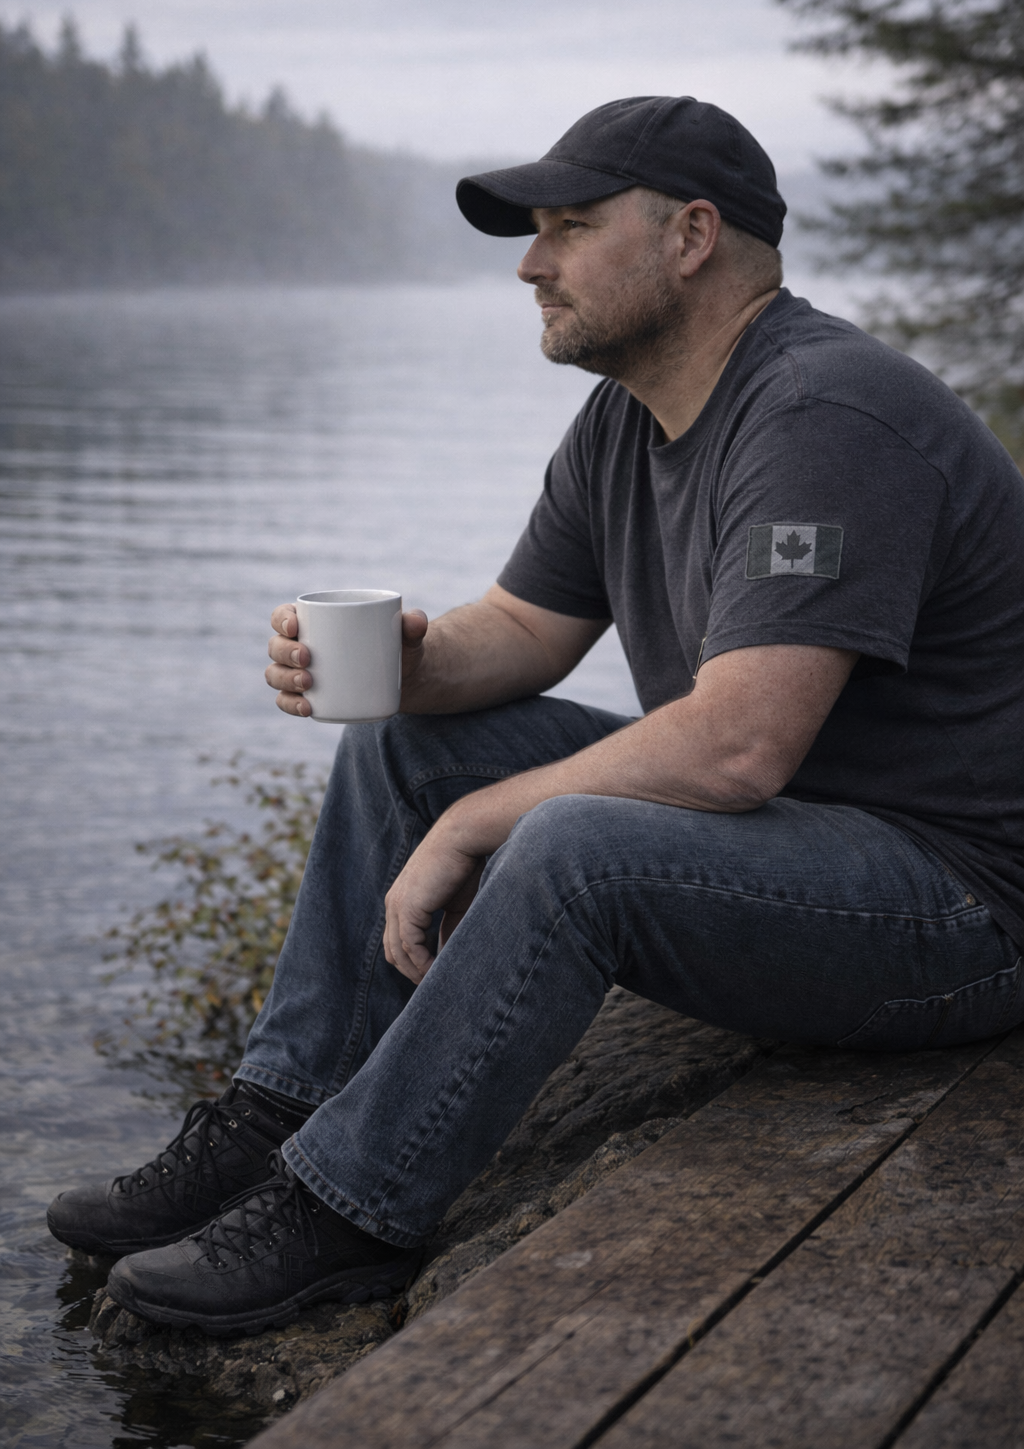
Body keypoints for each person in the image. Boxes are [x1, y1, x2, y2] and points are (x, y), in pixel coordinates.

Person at [48, 96, 1024, 1337]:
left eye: (568, 226)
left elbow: (736, 744)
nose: (528, 261)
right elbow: (519, 632)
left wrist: (476, 826)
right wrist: (403, 664)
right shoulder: (627, 416)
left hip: (965, 904)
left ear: (691, 237)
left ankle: (345, 1214)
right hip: (804, 838)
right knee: (403, 740)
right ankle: (276, 1115)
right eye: (533, 231)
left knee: (572, 844)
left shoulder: (824, 415)